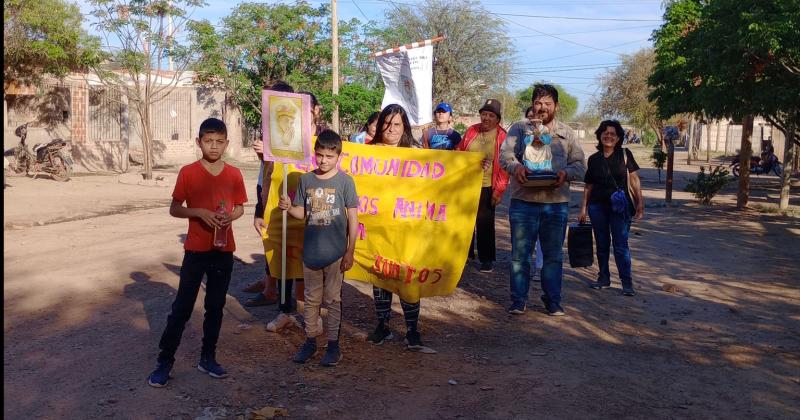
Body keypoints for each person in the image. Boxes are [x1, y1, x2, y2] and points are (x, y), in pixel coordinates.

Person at [147, 118, 247, 387]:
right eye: (208, 141)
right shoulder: (188, 172)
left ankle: (208, 357)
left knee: (215, 307)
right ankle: (164, 362)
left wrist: (230, 217)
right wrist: (199, 212)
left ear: (227, 143)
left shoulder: (234, 174)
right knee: (181, 308)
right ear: (198, 142)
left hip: (224, 250)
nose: (214, 147)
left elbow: (240, 207)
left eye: (219, 142)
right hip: (196, 250)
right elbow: (175, 208)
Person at [499, 84, 586, 316]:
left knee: (553, 256)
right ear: (532, 104)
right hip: (523, 202)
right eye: (538, 103)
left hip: (555, 205)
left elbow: (579, 164)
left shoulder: (567, 134)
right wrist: (516, 167)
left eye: (548, 103)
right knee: (520, 255)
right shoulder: (519, 129)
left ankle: (553, 301)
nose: (542, 108)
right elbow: (504, 156)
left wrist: (565, 174)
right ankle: (518, 300)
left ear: (556, 106)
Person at [278, 130, 359, 366]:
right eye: (320, 155)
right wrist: (287, 207)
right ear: (314, 154)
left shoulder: (345, 182)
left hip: (335, 254)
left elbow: (353, 217)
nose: (323, 161)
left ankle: (333, 346)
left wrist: (350, 250)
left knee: (333, 300)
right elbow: (302, 213)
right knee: (312, 300)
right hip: (311, 253)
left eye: (329, 156)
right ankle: (310, 341)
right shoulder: (306, 180)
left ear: (339, 157)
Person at [366, 104, 424, 349]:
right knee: (380, 275)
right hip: (377, 226)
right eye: (386, 124)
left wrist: (475, 167)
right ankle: (383, 325)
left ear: (405, 128)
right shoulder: (366, 153)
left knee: (407, 276)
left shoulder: (417, 154)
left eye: (396, 124)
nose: (390, 129)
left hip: (407, 227)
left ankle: (412, 329)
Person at [579, 120, 644, 296]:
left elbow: (634, 179)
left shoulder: (625, 154)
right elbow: (588, 185)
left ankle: (627, 283)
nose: (609, 136)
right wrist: (583, 209)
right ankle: (604, 278)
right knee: (601, 243)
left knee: (621, 244)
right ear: (600, 135)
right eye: (605, 133)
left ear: (618, 138)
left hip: (620, 207)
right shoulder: (593, 159)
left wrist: (640, 202)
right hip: (597, 206)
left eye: (613, 134)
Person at [456, 99, 509, 273]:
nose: (486, 118)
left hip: (487, 186)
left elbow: (504, 166)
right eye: (484, 114)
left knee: (485, 222)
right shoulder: (471, 130)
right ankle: (466, 254)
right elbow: (460, 152)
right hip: (466, 185)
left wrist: (499, 190)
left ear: (497, 119)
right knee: (464, 221)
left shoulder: (502, 136)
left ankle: (486, 259)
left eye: (491, 115)